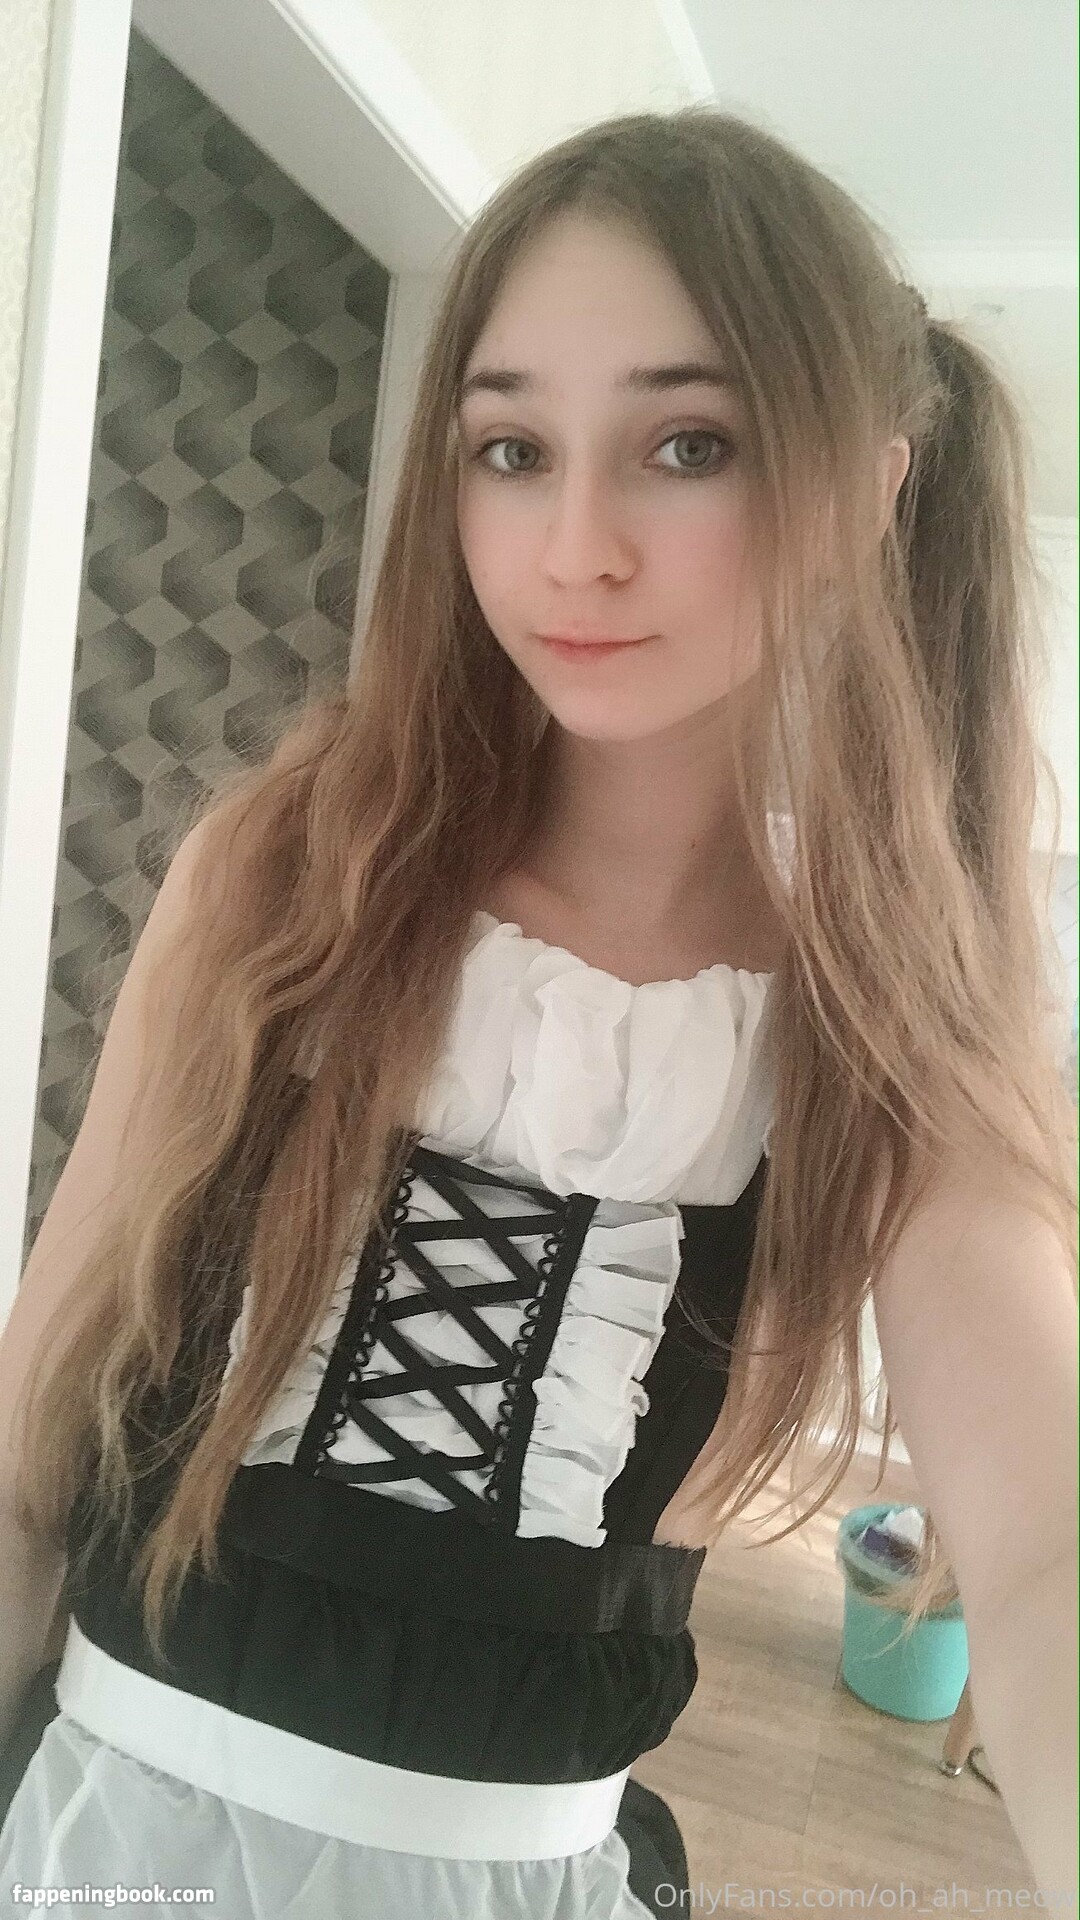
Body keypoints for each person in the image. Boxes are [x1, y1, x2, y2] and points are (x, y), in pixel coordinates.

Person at [1, 106, 1076, 1919]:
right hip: (104, 1843)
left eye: (686, 444)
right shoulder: (282, 877)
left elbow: (1047, 1556)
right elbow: (35, 1437)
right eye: (512, 447)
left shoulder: (875, 1019)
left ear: (869, 487)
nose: (575, 547)